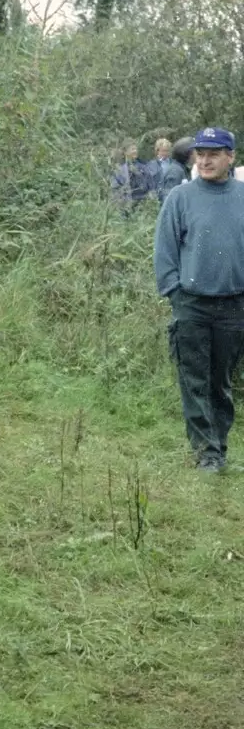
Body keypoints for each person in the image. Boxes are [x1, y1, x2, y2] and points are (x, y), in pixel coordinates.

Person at [154, 127, 244, 473]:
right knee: (194, 381)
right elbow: (165, 251)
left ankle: (219, 446)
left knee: (220, 382)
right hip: (191, 303)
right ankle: (206, 453)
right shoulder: (181, 197)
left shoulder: (241, 196)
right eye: (201, 154)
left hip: (234, 306)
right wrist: (174, 292)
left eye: (214, 154)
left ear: (230, 157)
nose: (205, 160)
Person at [111, 141, 146, 214]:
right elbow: (115, 189)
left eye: (136, 149)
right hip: (124, 207)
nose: (135, 151)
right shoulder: (119, 170)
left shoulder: (143, 167)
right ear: (125, 152)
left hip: (140, 207)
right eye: (133, 149)